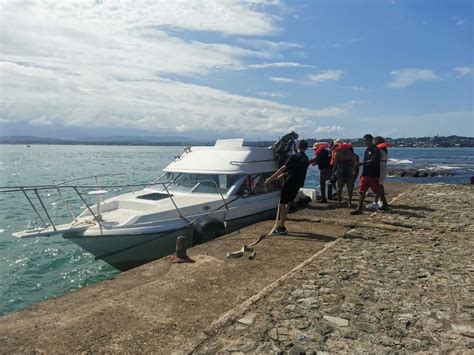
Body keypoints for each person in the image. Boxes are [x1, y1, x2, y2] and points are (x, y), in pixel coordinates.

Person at [265, 140, 309, 235]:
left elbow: (282, 168)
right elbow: (297, 170)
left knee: (282, 203)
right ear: (306, 148)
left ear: (297, 146)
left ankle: (282, 226)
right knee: (288, 202)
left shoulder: (293, 156)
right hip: (298, 183)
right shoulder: (306, 158)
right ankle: (282, 223)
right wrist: (285, 174)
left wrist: (270, 178)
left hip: (290, 182)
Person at [351, 134, 389, 215]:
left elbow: (374, 160)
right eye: (364, 140)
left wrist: (361, 163)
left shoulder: (376, 150)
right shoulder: (366, 150)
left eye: (366, 140)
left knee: (378, 190)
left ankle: (385, 204)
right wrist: (363, 173)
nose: (364, 142)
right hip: (366, 174)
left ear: (371, 140)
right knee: (361, 191)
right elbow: (367, 161)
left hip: (373, 174)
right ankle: (359, 208)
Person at [332, 142, 356, 207]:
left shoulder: (337, 154)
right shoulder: (351, 153)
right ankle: (350, 203)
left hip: (340, 171)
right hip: (349, 171)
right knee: (350, 188)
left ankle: (339, 203)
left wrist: (333, 173)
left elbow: (335, 164)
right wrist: (353, 170)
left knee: (339, 188)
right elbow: (354, 163)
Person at [368, 136, 389, 209]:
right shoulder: (384, 149)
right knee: (379, 185)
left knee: (378, 185)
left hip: (379, 167)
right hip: (383, 167)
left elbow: (374, 160)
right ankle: (378, 201)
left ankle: (383, 203)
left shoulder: (378, 150)